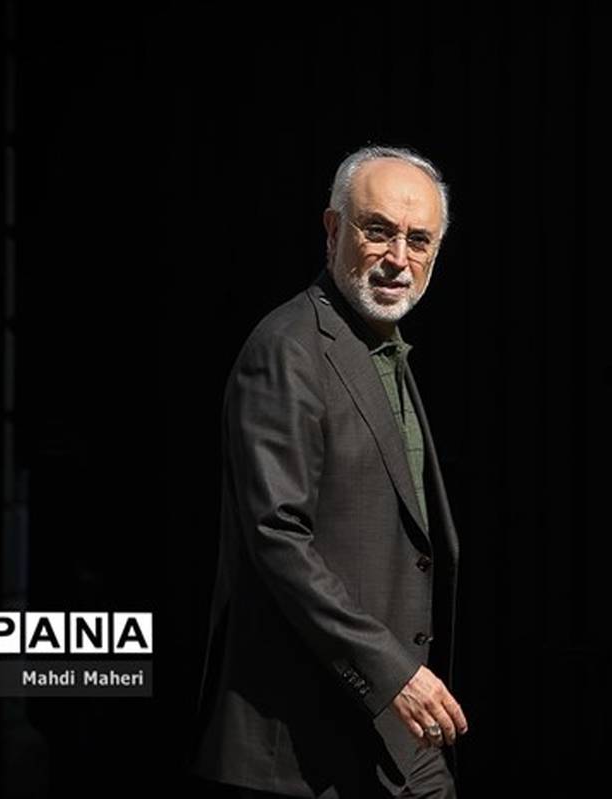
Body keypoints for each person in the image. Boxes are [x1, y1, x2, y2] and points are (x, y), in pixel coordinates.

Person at [191, 145, 467, 798]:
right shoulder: (287, 349)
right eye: (378, 230)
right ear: (333, 228)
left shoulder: (379, 347)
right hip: (303, 746)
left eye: (419, 240)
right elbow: (277, 539)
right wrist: (391, 671)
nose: (398, 257)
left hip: (392, 739)